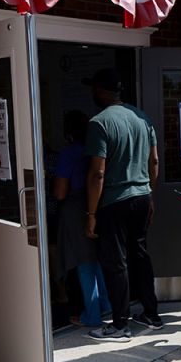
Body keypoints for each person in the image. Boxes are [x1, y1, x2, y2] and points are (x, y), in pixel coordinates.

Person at [84, 67, 162, 342]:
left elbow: (98, 173)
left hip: (114, 201)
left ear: (102, 91)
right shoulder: (142, 118)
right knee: (140, 254)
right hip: (141, 196)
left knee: (115, 262)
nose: (93, 92)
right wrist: (149, 192)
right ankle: (151, 315)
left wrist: (91, 213)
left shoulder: (99, 123)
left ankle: (120, 325)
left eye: (94, 87)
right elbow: (154, 162)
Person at [53, 110, 112, 327]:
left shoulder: (69, 153)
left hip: (76, 207)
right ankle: (105, 304)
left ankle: (92, 315)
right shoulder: (95, 149)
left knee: (83, 262)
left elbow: (60, 192)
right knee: (96, 258)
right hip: (99, 202)